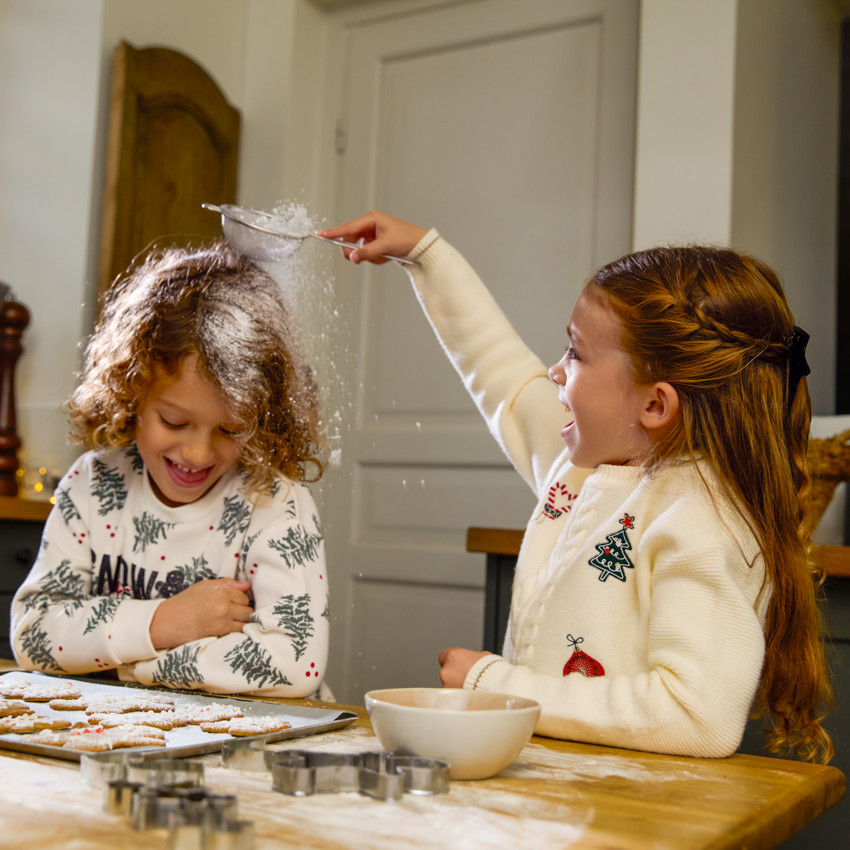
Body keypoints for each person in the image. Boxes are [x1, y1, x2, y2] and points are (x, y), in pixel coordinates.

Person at [318, 212, 832, 762]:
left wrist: (497, 684)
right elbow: (505, 380)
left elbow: (696, 717)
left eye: (576, 352)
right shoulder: (588, 468)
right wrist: (426, 255)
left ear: (655, 404)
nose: (555, 371)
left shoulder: (704, 520)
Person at [11, 242, 330, 697]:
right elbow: (35, 634)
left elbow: (293, 663)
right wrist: (165, 623)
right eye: (174, 422)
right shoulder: (92, 486)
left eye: (230, 428)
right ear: (131, 391)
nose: (198, 454)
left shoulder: (274, 505)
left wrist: (122, 666)